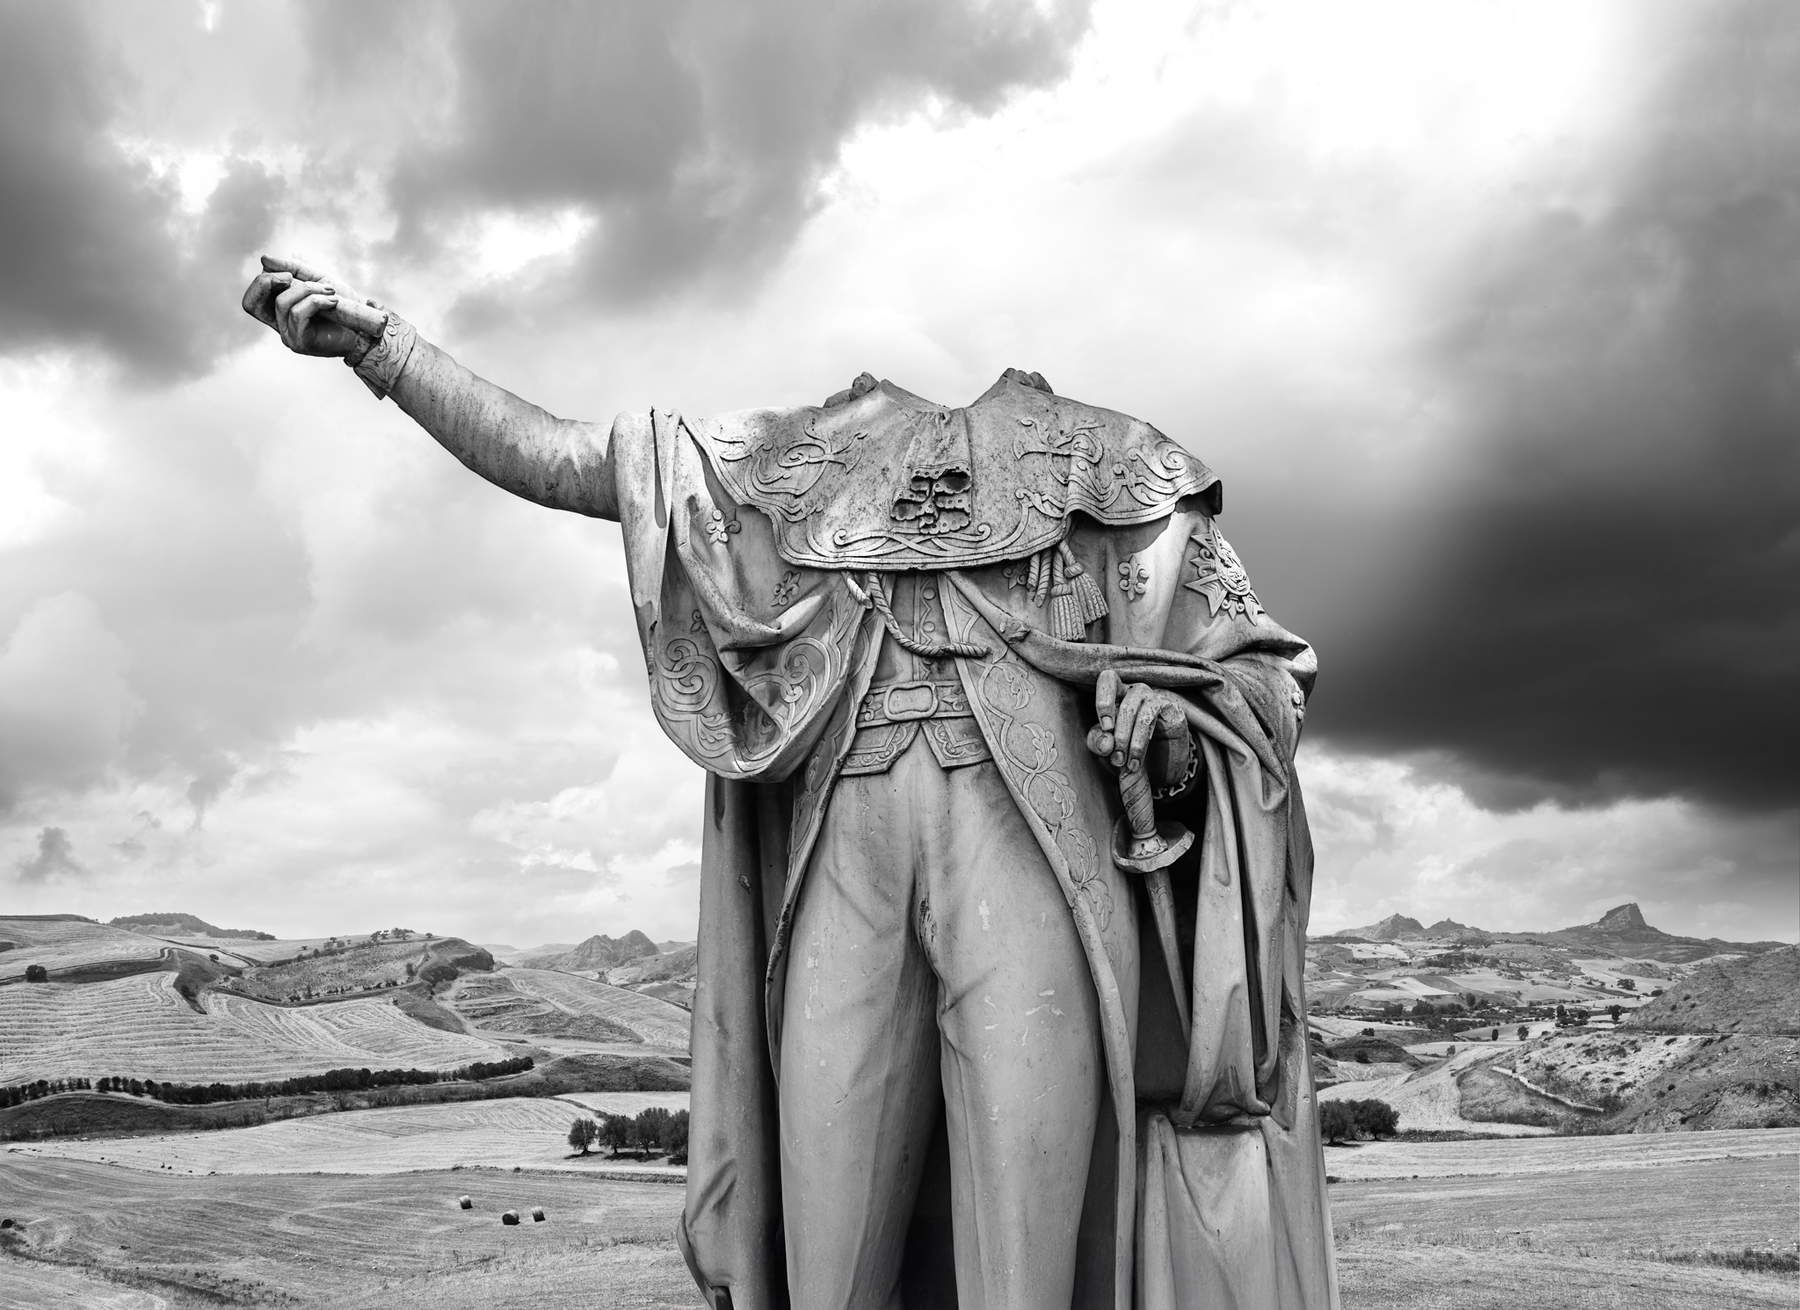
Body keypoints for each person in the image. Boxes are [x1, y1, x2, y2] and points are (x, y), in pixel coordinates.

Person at [242, 255, 1339, 1309]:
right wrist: (390, 351)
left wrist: (1177, 735)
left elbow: (1257, 676)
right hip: (839, 877)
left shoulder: (1116, 465)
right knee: (826, 1252)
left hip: (1037, 881)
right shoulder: (785, 463)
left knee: (1025, 1263)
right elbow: (570, 460)